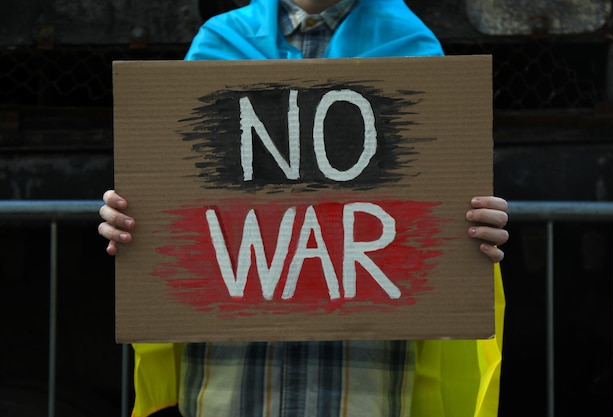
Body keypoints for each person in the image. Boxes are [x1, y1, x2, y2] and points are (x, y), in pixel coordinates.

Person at [98, 1, 510, 416]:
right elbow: (179, 205)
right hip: (232, 381)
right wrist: (131, 218)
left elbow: (431, 226)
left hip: (363, 380)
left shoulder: (412, 49)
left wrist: (474, 228)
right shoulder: (219, 43)